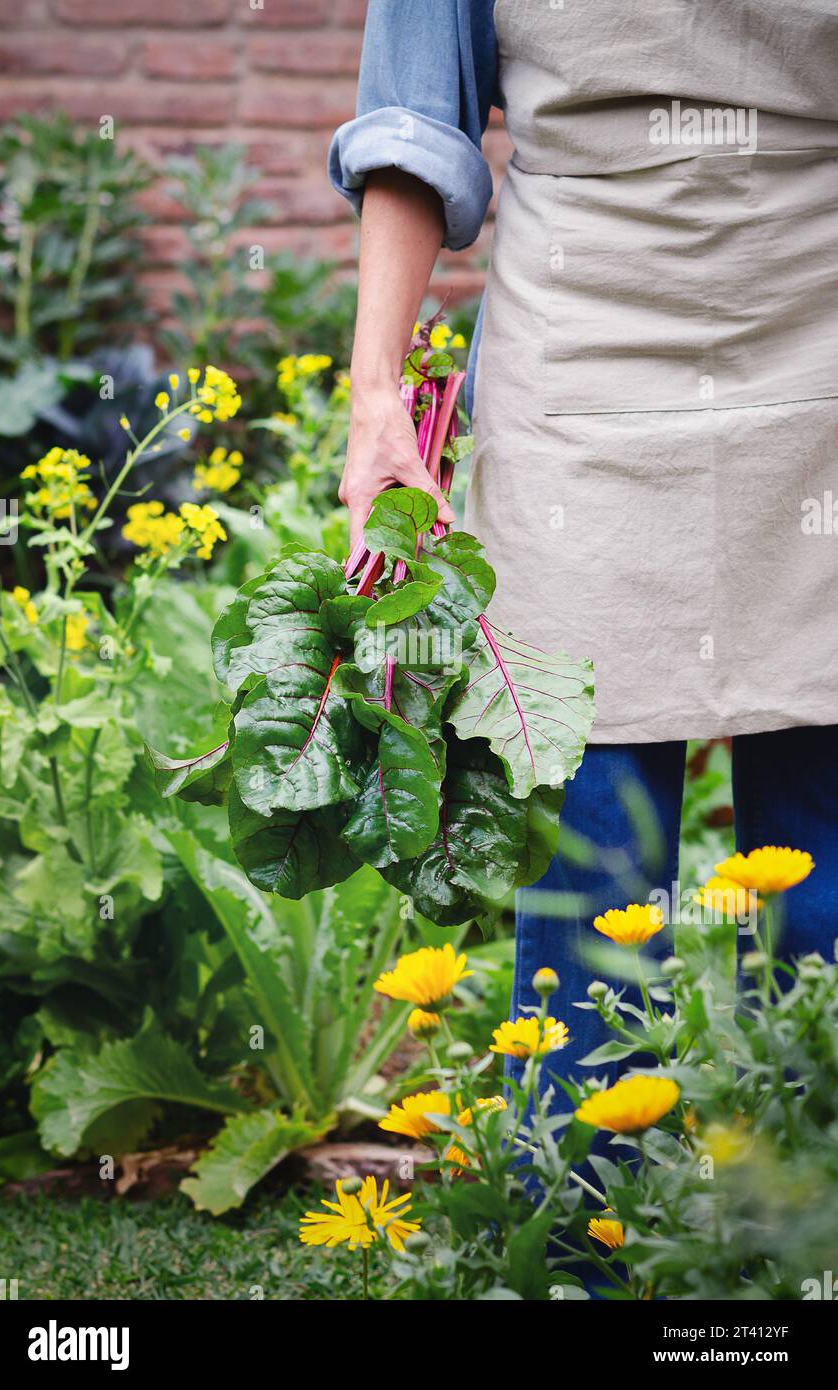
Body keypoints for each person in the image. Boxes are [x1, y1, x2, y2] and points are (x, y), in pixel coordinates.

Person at [328, 0, 838, 1070]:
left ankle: (801, 1213)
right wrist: (376, 395)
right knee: (589, 862)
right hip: (585, 332)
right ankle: (578, 1231)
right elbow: (417, 119)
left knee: (823, 873)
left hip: (821, 310)